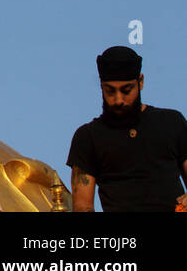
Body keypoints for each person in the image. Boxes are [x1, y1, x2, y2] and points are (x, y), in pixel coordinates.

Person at [67, 46, 187, 212]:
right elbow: (83, 206)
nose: (118, 100)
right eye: (110, 91)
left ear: (141, 82)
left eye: (126, 90)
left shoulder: (172, 122)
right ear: (101, 87)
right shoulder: (87, 137)